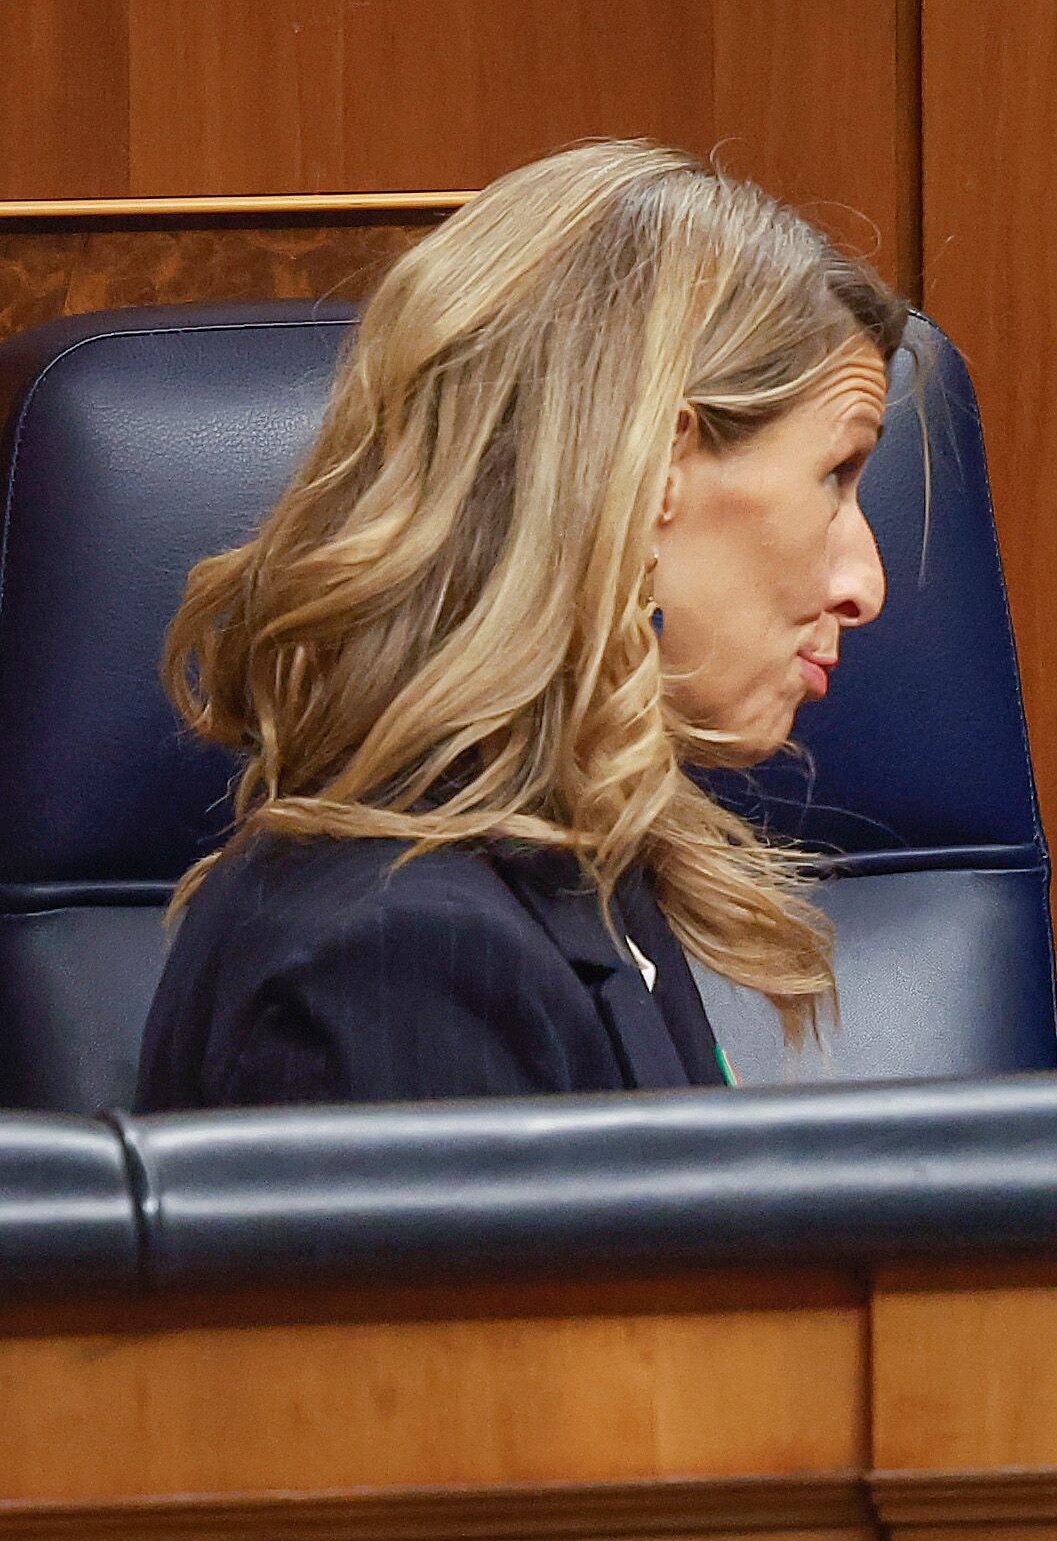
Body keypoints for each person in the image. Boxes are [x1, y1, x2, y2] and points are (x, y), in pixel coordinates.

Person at [135, 139, 902, 1107]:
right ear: (648, 469)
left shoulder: (575, 866)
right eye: (835, 473)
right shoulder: (404, 962)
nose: (863, 586)